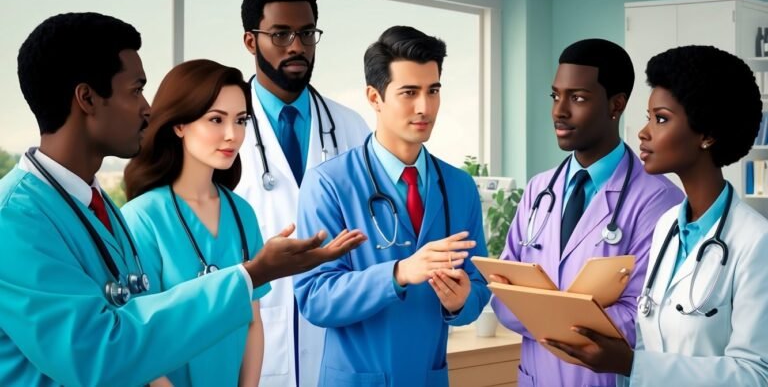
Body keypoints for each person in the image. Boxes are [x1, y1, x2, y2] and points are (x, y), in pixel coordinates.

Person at [0, 12, 364, 386]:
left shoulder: (97, 206)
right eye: (135, 90)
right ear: (87, 98)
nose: (147, 108)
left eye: (240, 120)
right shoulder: (13, 221)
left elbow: (139, 317)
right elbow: (99, 353)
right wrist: (251, 274)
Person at [544, 45, 768, 386]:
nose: (643, 132)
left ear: (707, 135)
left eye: (661, 119)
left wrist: (631, 364)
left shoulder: (756, 242)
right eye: (648, 117)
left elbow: (756, 374)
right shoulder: (668, 226)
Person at [294, 25, 491, 386]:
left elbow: (479, 287)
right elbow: (315, 299)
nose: (425, 107)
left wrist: (462, 301)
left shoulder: (459, 187)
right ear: (375, 97)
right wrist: (398, 273)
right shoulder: (329, 184)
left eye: (433, 91)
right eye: (409, 92)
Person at [489, 38, 683, 387]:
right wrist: (575, 315)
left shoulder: (659, 200)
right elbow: (502, 297)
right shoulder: (539, 189)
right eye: (555, 96)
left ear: (616, 104)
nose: (559, 111)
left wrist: (536, 309)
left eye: (577, 98)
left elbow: (642, 317)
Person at [236, 0, 370, 387]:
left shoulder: (351, 127)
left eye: (307, 33)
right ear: (251, 41)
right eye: (281, 34)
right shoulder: (221, 129)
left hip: (339, 343)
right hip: (252, 341)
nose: (296, 46)